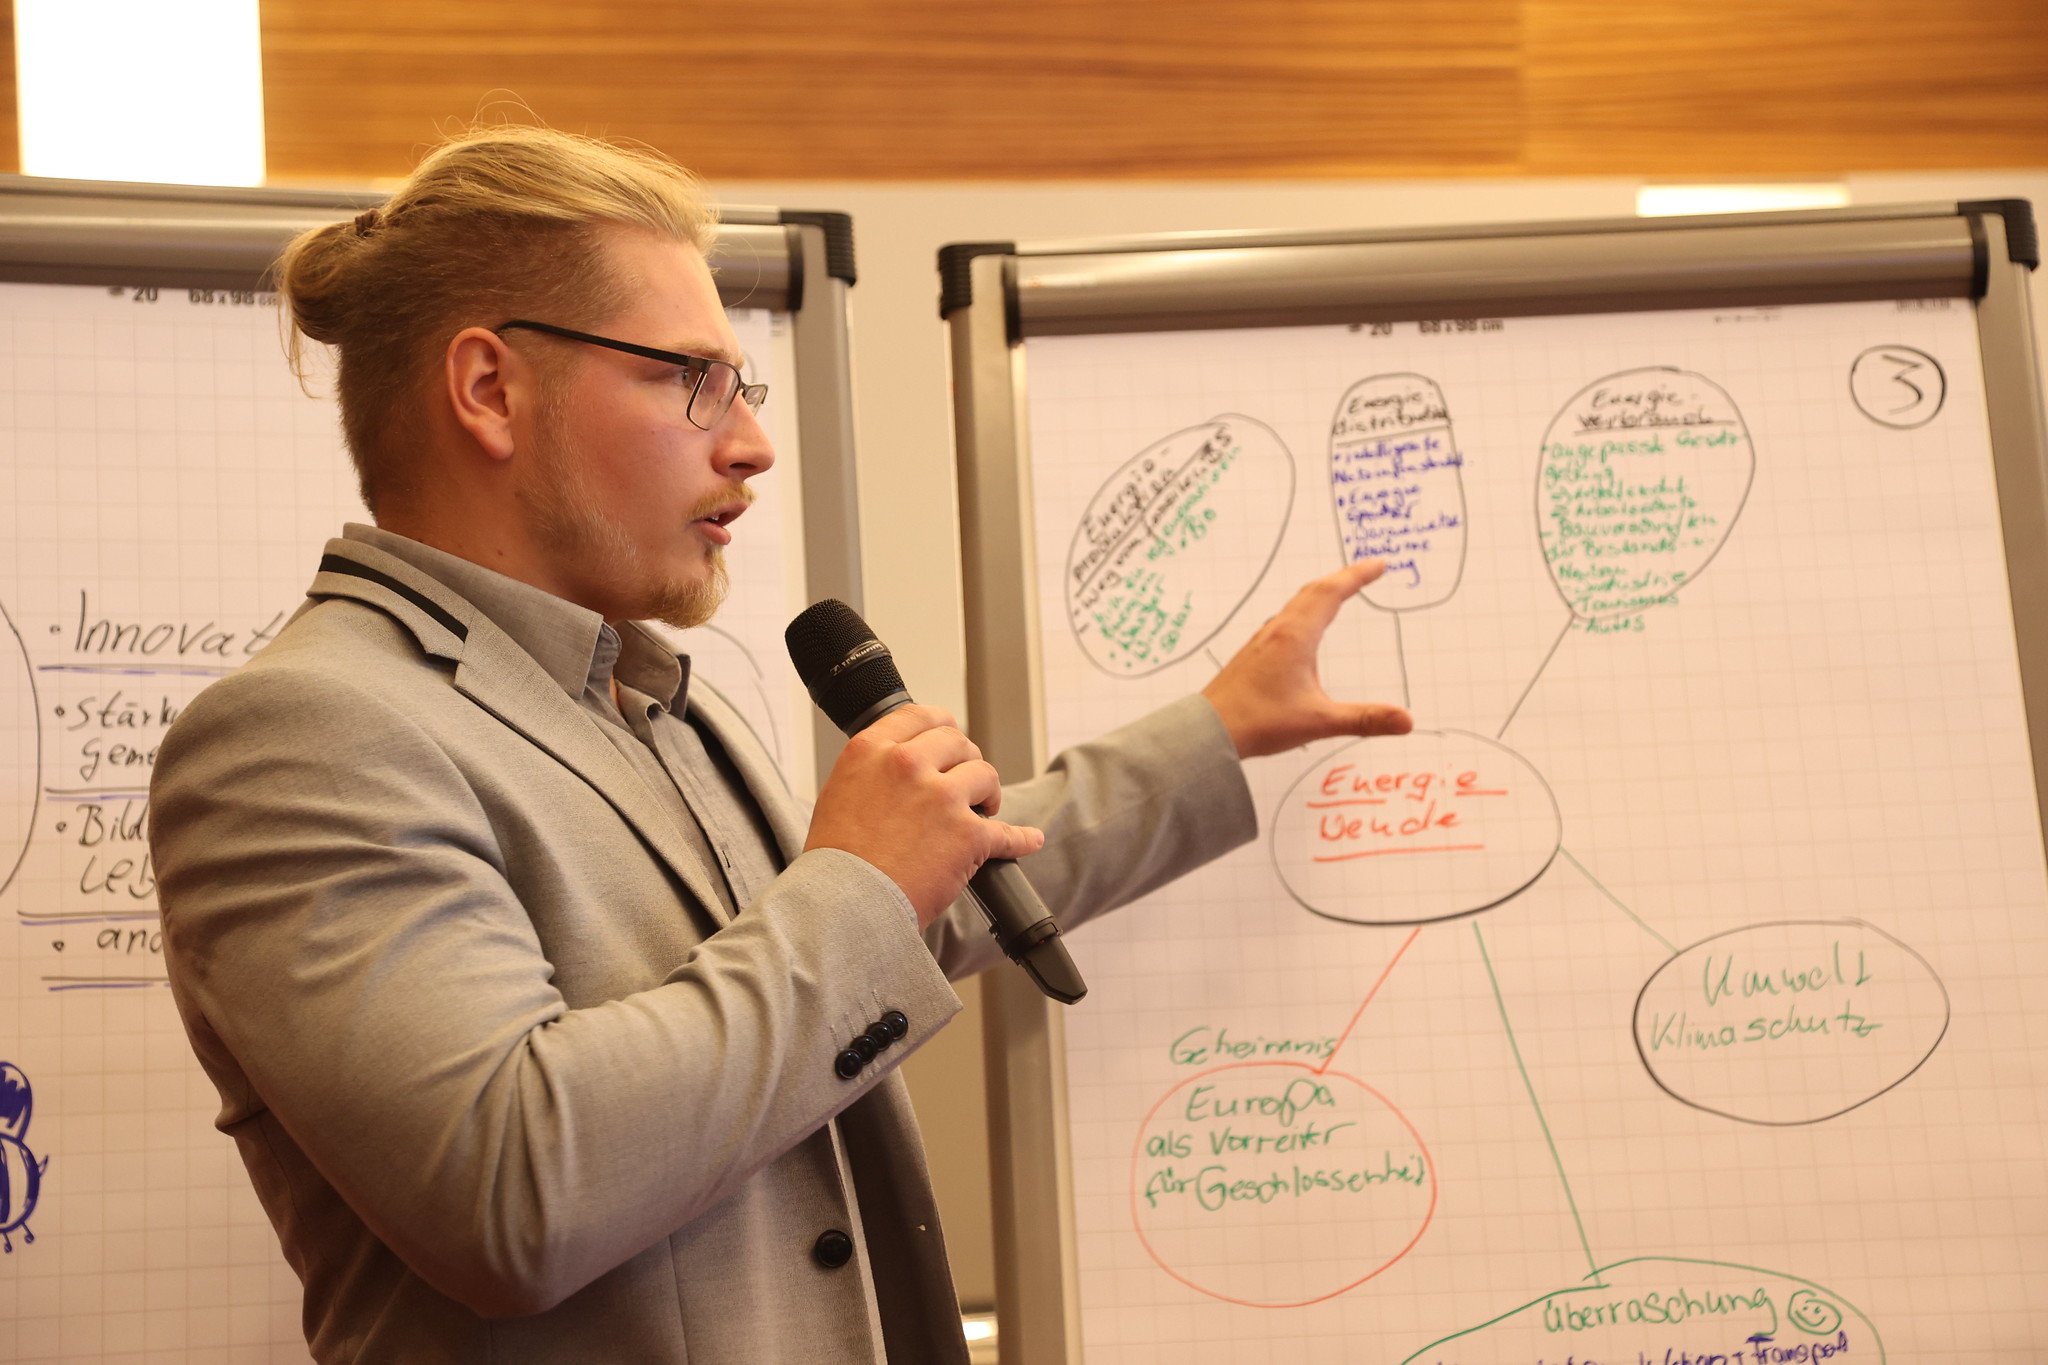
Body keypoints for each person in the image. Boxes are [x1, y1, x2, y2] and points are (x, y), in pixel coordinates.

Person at [148, 125, 1412, 1364]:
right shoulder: (303, 735)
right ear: (490, 390)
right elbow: (513, 1188)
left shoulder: (643, 695)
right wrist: (858, 882)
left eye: (739, 387)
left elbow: (872, 937)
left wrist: (1213, 735)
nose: (750, 442)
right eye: (688, 379)